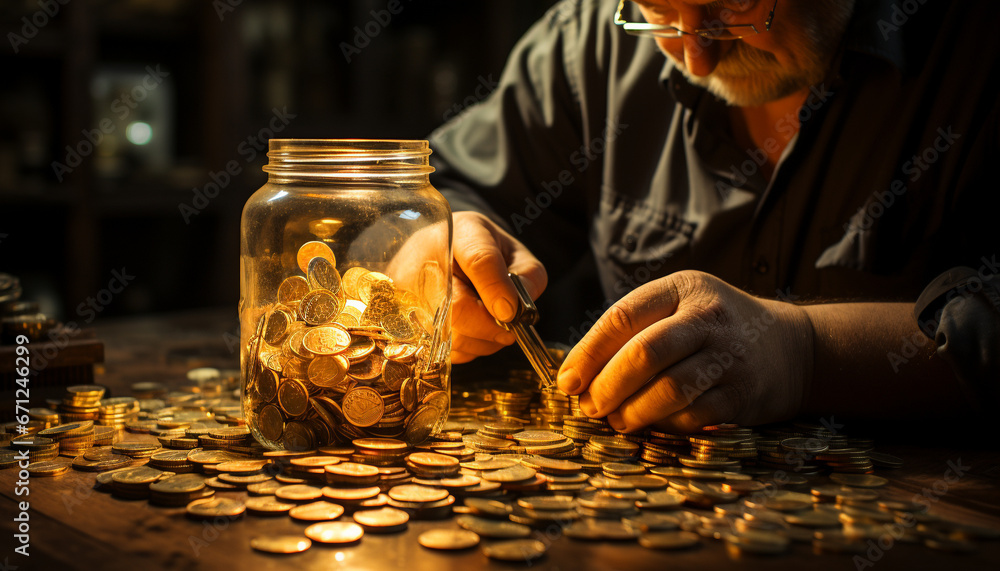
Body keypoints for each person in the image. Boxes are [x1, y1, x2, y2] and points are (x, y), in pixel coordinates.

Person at [427, 0, 999, 434]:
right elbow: (440, 193)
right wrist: (440, 251)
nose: (698, 56)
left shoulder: (977, 51)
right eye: (657, 11)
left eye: (734, 7)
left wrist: (806, 353)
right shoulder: (591, 43)